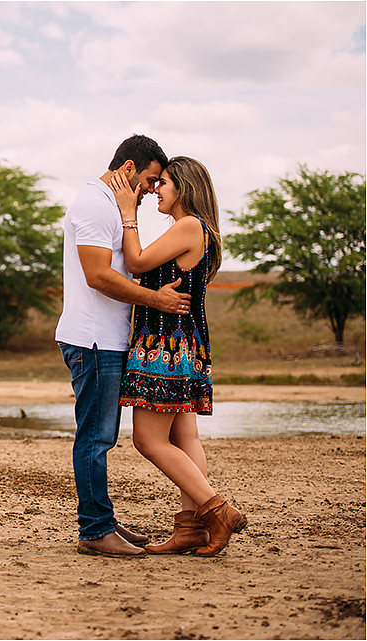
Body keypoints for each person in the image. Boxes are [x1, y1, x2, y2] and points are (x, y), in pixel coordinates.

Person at [55, 135, 191, 558]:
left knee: (101, 436)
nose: (153, 189)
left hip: (104, 338)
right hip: (93, 338)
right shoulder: (96, 204)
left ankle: (103, 521)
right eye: (151, 179)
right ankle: (95, 530)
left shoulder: (110, 205)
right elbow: (97, 275)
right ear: (128, 169)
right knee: (96, 438)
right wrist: (156, 298)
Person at [108, 156, 247, 557]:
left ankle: (217, 510)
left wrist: (127, 211)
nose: (155, 190)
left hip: (164, 348)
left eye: (163, 183)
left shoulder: (188, 226)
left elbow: (135, 263)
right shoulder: (196, 230)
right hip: (186, 345)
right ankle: (189, 528)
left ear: (183, 187)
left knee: (148, 440)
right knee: (185, 439)